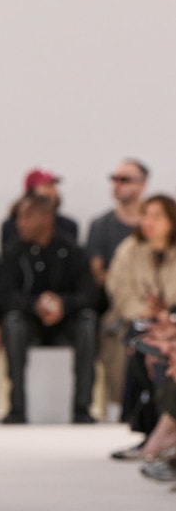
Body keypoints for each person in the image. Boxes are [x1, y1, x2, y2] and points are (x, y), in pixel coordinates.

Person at [0, 192, 97, 423]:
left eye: (27, 217)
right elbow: (2, 295)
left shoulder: (72, 251)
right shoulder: (13, 251)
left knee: (88, 322)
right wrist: (35, 305)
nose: (20, 223)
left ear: (47, 219)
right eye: (19, 218)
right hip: (29, 322)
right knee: (13, 324)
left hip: (66, 322)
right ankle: (16, 409)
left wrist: (63, 304)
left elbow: (90, 294)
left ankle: (82, 408)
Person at [106, 194, 176, 457]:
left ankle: (163, 433)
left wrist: (169, 318)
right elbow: (120, 289)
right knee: (139, 345)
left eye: (157, 216)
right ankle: (152, 430)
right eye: (145, 215)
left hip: (172, 323)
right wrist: (146, 313)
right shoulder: (130, 249)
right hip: (141, 321)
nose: (149, 222)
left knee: (161, 355)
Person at [87, 160, 149, 418]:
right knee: (120, 334)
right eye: (114, 179)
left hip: (158, 303)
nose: (117, 185)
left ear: (142, 185)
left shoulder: (156, 226)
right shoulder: (102, 225)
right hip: (118, 305)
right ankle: (121, 406)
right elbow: (101, 275)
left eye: (125, 179)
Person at [0, 168, 79, 251]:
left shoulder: (68, 226)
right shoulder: (11, 227)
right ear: (31, 191)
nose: (53, 191)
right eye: (47, 186)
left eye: (53, 186)